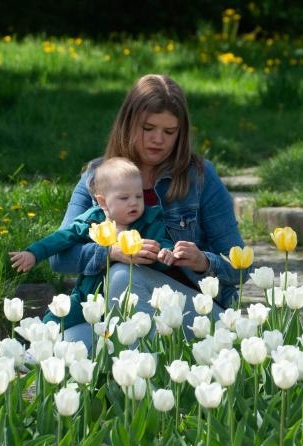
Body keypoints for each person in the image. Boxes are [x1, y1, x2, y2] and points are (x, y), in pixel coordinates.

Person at [49, 73, 249, 347]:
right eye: (148, 128)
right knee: (57, 347)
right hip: (115, 310)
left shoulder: (200, 176)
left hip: (191, 313)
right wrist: (113, 252)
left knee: (122, 277)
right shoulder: (98, 175)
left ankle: (139, 380)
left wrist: (202, 261)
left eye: (169, 132)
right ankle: (144, 368)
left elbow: (241, 268)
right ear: (128, 124)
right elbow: (59, 258)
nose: (158, 140)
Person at [9, 157, 175, 329]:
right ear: (102, 201)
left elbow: (161, 242)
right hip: (87, 296)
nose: (133, 202)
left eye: (139, 196)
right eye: (124, 198)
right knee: (56, 318)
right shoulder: (93, 220)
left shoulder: (150, 221)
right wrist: (34, 253)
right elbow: (62, 237)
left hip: (129, 298)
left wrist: (165, 253)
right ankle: (34, 345)